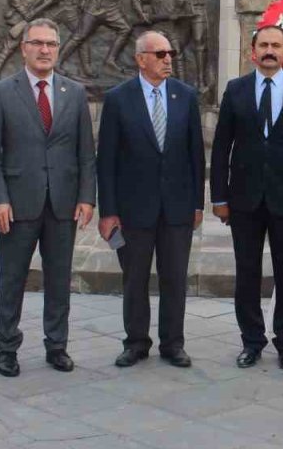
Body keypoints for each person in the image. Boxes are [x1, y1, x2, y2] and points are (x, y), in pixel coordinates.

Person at [0, 19, 96, 378]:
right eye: (37, 43)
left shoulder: (74, 93)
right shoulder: (2, 92)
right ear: (24, 48)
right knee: (12, 279)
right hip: (17, 205)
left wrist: (86, 198)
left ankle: (57, 345)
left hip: (62, 204)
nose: (45, 50)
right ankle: (7, 348)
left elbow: (85, 152)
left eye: (51, 44)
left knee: (59, 279)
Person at [210, 25, 283, 371]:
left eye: (276, 45)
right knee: (247, 273)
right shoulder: (236, 90)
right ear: (252, 51)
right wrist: (219, 197)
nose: (269, 50)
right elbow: (221, 148)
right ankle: (251, 341)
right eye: (263, 45)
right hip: (244, 201)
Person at [98, 31, 205, 368]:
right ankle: (136, 342)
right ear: (140, 58)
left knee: (175, 277)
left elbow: (195, 154)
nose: (168, 58)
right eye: (159, 54)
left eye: (169, 52)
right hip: (133, 210)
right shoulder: (118, 99)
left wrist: (197, 203)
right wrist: (109, 211)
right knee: (135, 278)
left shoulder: (185, 96)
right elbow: (107, 160)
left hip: (176, 208)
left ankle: (173, 343)